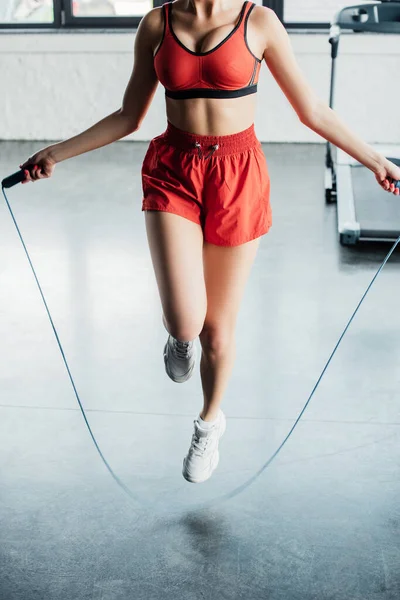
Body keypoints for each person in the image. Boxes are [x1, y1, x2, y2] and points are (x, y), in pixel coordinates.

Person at [19, 0, 400, 485]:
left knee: (217, 332)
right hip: (173, 170)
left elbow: (312, 110)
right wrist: (56, 153)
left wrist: (374, 160)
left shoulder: (258, 22)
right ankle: (179, 337)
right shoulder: (156, 23)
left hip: (238, 175)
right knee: (186, 321)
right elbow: (129, 116)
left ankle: (209, 422)